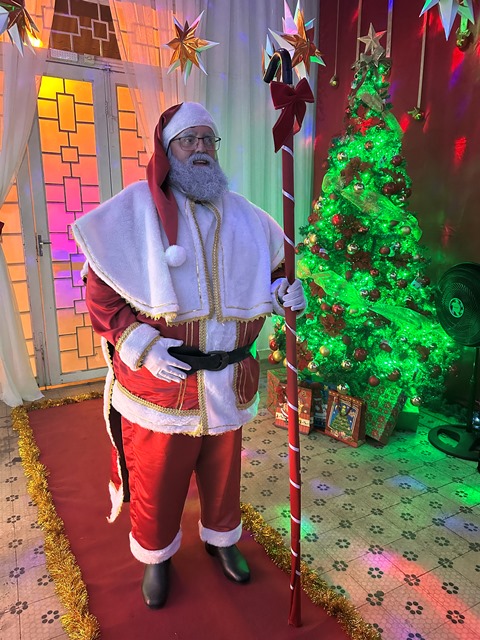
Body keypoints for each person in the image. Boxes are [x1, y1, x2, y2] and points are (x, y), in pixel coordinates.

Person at [72, 102, 306, 609]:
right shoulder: (133, 211)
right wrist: (142, 347)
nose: (200, 149)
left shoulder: (248, 216)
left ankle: (221, 539)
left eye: (207, 140)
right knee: (158, 478)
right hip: (164, 382)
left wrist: (285, 291)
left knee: (223, 475)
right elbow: (101, 295)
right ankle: (156, 555)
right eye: (188, 140)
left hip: (230, 378)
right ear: (167, 149)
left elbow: (274, 272)